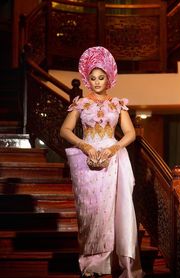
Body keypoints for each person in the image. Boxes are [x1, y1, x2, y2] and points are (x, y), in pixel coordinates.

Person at [60, 46, 143, 278]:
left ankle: (111, 263)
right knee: (90, 211)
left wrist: (113, 148)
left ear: (109, 78)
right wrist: (84, 145)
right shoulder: (80, 104)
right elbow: (65, 130)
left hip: (112, 159)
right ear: (88, 79)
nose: (96, 82)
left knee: (111, 211)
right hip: (86, 162)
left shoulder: (117, 104)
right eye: (92, 78)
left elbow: (130, 134)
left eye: (101, 77)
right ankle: (91, 264)